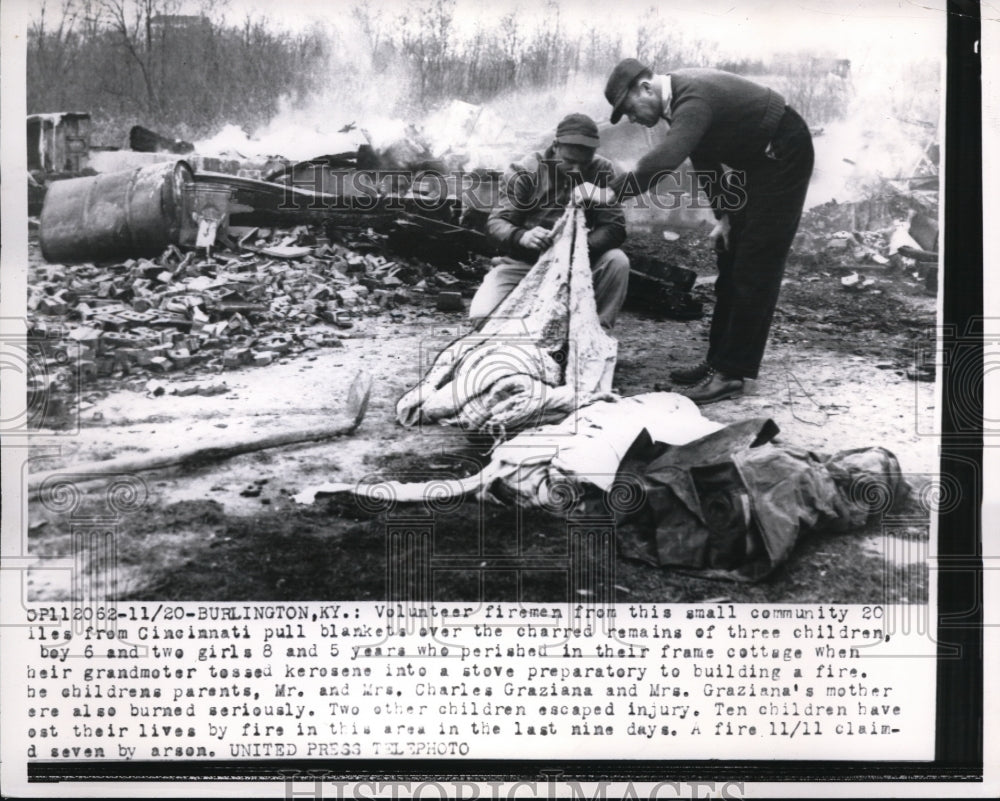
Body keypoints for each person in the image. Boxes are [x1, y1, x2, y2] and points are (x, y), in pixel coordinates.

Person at [576, 59, 814, 404]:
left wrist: (610, 192)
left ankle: (732, 374)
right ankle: (717, 361)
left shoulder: (693, 99)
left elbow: (665, 160)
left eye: (629, 109)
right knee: (730, 256)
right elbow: (705, 160)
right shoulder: (680, 104)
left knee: (755, 263)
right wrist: (725, 217)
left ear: (645, 87)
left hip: (783, 154)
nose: (632, 119)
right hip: (757, 162)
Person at [470, 113, 630, 329]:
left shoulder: (602, 169)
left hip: (577, 264)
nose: (577, 171)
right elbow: (497, 222)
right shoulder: (525, 170)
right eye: (570, 162)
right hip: (525, 263)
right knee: (483, 317)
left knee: (616, 261)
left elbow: (614, 227)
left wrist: (577, 247)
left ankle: (593, 335)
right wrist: (522, 236)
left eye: (584, 163)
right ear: (555, 146)